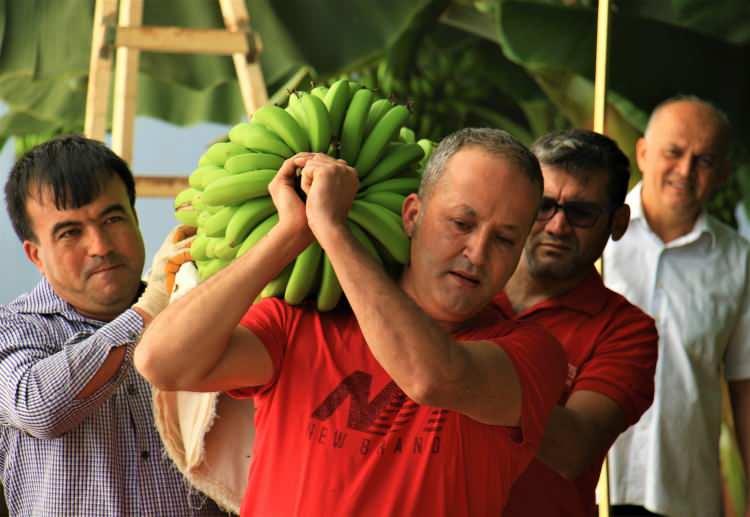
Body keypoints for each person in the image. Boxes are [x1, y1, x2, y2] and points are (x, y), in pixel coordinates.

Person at [134, 128, 568, 516]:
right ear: (412, 214)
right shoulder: (305, 321)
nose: (477, 251)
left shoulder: (530, 353)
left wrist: (332, 231)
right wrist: (291, 234)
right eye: (461, 223)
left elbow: (430, 377)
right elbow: (161, 362)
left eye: (505, 239)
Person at [0, 135, 226, 516]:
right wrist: (152, 306)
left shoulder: (197, 312)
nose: (100, 245)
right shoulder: (14, 327)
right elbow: (40, 408)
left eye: (113, 218)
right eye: (70, 232)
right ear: (35, 254)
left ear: (135, 219)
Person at [496, 129, 659, 516]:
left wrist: (452, 370)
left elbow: (573, 449)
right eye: (543, 206)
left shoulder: (626, 330)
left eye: (581, 212)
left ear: (618, 223)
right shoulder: (461, 284)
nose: (557, 226)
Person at [603, 96, 750, 517]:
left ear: (722, 173)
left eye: (704, 160)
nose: (685, 171)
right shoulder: (588, 238)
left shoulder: (738, 262)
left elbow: (745, 388)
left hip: (684, 493)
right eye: (673, 152)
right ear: (644, 153)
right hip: (589, 483)